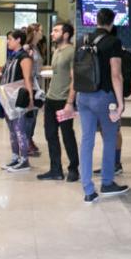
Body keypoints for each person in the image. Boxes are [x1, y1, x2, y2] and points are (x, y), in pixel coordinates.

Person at [76, 8, 129, 203]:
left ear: (96, 21)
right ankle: (107, 183)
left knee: (87, 140)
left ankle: (88, 190)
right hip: (104, 98)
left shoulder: (82, 40)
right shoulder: (113, 42)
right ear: (112, 23)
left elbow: (75, 72)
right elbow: (116, 74)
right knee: (109, 138)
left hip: (83, 96)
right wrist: (121, 103)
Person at [37, 22, 80, 182]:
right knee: (50, 135)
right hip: (51, 99)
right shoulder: (56, 51)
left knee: (67, 135)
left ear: (66, 34)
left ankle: (73, 168)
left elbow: (75, 78)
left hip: (64, 101)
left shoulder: (71, 52)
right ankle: (56, 169)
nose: (52, 33)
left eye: (56, 30)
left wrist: (70, 102)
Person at [1, 30, 33, 173]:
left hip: (19, 98)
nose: (8, 42)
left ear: (18, 40)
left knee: (20, 129)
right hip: (8, 97)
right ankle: (15, 157)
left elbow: (27, 79)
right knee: (12, 130)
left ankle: (24, 160)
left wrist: (30, 98)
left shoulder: (24, 57)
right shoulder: (11, 57)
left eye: (10, 39)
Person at [24, 23, 44, 157]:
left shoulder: (36, 48)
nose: (42, 33)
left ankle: (29, 139)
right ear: (35, 32)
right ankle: (25, 141)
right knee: (29, 115)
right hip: (31, 85)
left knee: (34, 115)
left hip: (38, 84)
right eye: (41, 31)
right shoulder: (28, 49)